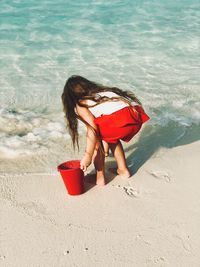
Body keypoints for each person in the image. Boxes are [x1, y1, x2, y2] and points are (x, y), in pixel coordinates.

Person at [61, 75, 150, 186]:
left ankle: (100, 178)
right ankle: (123, 170)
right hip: (136, 115)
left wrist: (88, 155)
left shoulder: (81, 104)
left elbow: (92, 129)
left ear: (70, 98)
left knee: (97, 139)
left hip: (121, 118)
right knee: (110, 137)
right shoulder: (103, 92)